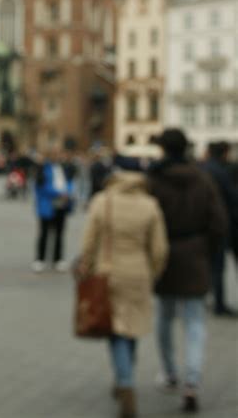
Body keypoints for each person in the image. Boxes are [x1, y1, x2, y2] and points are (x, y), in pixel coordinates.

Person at [148, 129, 228, 414]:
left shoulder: (154, 180)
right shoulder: (202, 179)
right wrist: (206, 250)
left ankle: (170, 373)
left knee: (165, 317)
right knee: (195, 322)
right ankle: (192, 382)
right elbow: (219, 223)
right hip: (195, 254)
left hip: (164, 254)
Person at [80, 169, 168, 418]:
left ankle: (125, 384)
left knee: (116, 329)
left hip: (107, 272)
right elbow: (160, 249)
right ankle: (124, 375)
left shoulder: (102, 201)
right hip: (138, 272)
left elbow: (88, 241)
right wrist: (153, 272)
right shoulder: (150, 205)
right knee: (131, 327)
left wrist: (86, 265)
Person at [202, 141, 238, 316]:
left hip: (203, 223)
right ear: (225, 153)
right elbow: (232, 197)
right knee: (218, 265)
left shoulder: (203, 169)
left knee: (208, 264)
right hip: (220, 222)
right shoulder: (221, 172)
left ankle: (204, 298)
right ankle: (219, 303)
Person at [32, 149, 76, 272]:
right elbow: (42, 187)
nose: (57, 156)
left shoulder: (64, 168)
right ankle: (40, 259)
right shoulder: (42, 169)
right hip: (47, 205)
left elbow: (69, 182)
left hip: (62, 204)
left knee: (59, 233)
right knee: (44, 233)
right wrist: (59, 193)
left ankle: (58, 259)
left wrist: (68, 192)